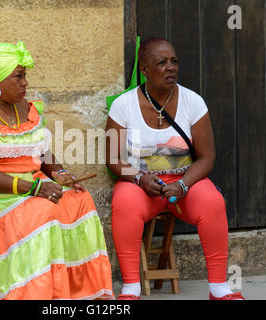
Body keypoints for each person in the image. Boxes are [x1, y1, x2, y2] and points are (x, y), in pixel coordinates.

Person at [0, 42, 113, 300]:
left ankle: (80, 293)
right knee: (43, 209)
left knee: (80, 200)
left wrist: (60, 174)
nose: (25, 83)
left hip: (30, 181)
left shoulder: (26, 107)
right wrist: (35, 188)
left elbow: (43, 153)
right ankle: (39, 294)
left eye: (25, 75)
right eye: (19, 76)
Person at [105, 38, 244, 300]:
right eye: (162, 62)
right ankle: (131, 287)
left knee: (213, 201)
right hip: (142, 186)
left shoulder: (193, 102)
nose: (171, 68)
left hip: (184, 183)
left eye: (174, 61)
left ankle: (219, 287)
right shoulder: (123, 105)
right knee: (123, 202)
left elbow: (206, 157)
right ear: (144, 69)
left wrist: (183, 184)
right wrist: (138, 179)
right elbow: (112, 159)